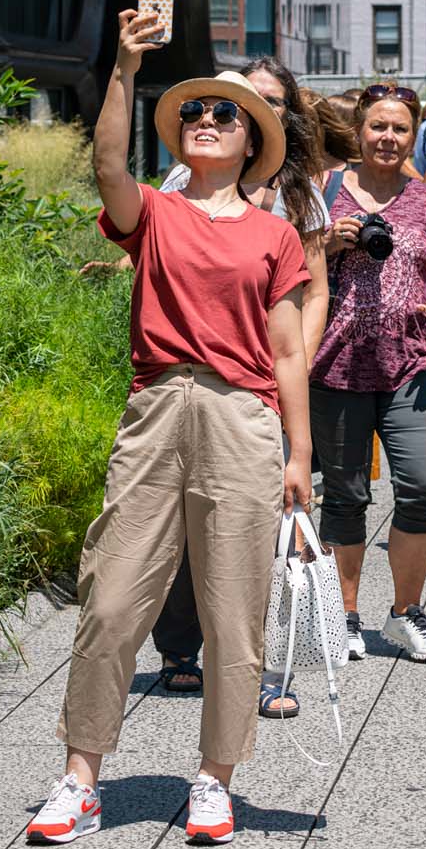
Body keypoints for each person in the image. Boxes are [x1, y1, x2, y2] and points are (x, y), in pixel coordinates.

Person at [27, 27, 311, 849]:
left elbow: (289, 349)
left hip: (241, 416)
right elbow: (108, 167)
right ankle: (81, 780)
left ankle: (216, 778)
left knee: (232, 611)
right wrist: (124, 67)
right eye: (198, 112)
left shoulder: (273, 235)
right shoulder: (155, 212)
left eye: (229, 113)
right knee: (112, 599)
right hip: (156, 408)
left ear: (252, 140)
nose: (210, 119)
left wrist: (299, 455)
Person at [151, 56, 330, 720]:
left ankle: (266, 666)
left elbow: (315, 291)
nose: (228, 115)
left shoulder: (300, 194)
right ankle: (177, 646)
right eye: (228, 101)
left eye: (265, 101)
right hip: (194, 380)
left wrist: (296, 366)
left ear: (282, 116)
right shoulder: (183, 178)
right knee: (184, 520)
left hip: (268, 382)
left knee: (271, 526)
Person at [314, 86, 426, 661]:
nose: (388, 138)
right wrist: (328, 243)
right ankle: (345, 617)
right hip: (335, 364)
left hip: (409, 364)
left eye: (400, 129)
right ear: (358, 130)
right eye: (378, 126)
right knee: (345, 495)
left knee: (423, 486)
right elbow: (288, 269)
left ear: (415, 134)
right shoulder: (323, 192)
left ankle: (406, 613)